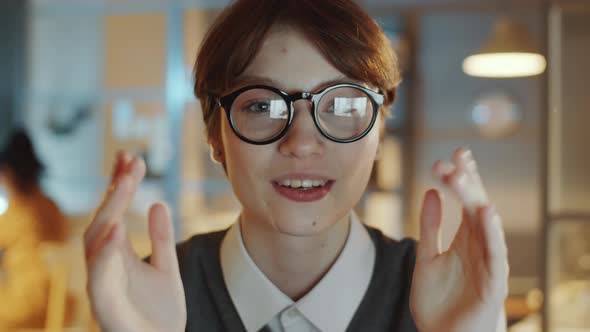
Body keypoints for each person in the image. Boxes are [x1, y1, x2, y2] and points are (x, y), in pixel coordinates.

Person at [84, 0, 509, 331]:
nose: (302, 143)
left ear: (378, 130)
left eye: (341, 104)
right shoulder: (151, 294)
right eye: (262, 105)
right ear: (215, 137)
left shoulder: (446, 296)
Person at [0, 128, 69, 329]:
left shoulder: (16, 214)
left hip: (26, 308)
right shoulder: (51, 207)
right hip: (61, 306)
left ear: (9, 174)